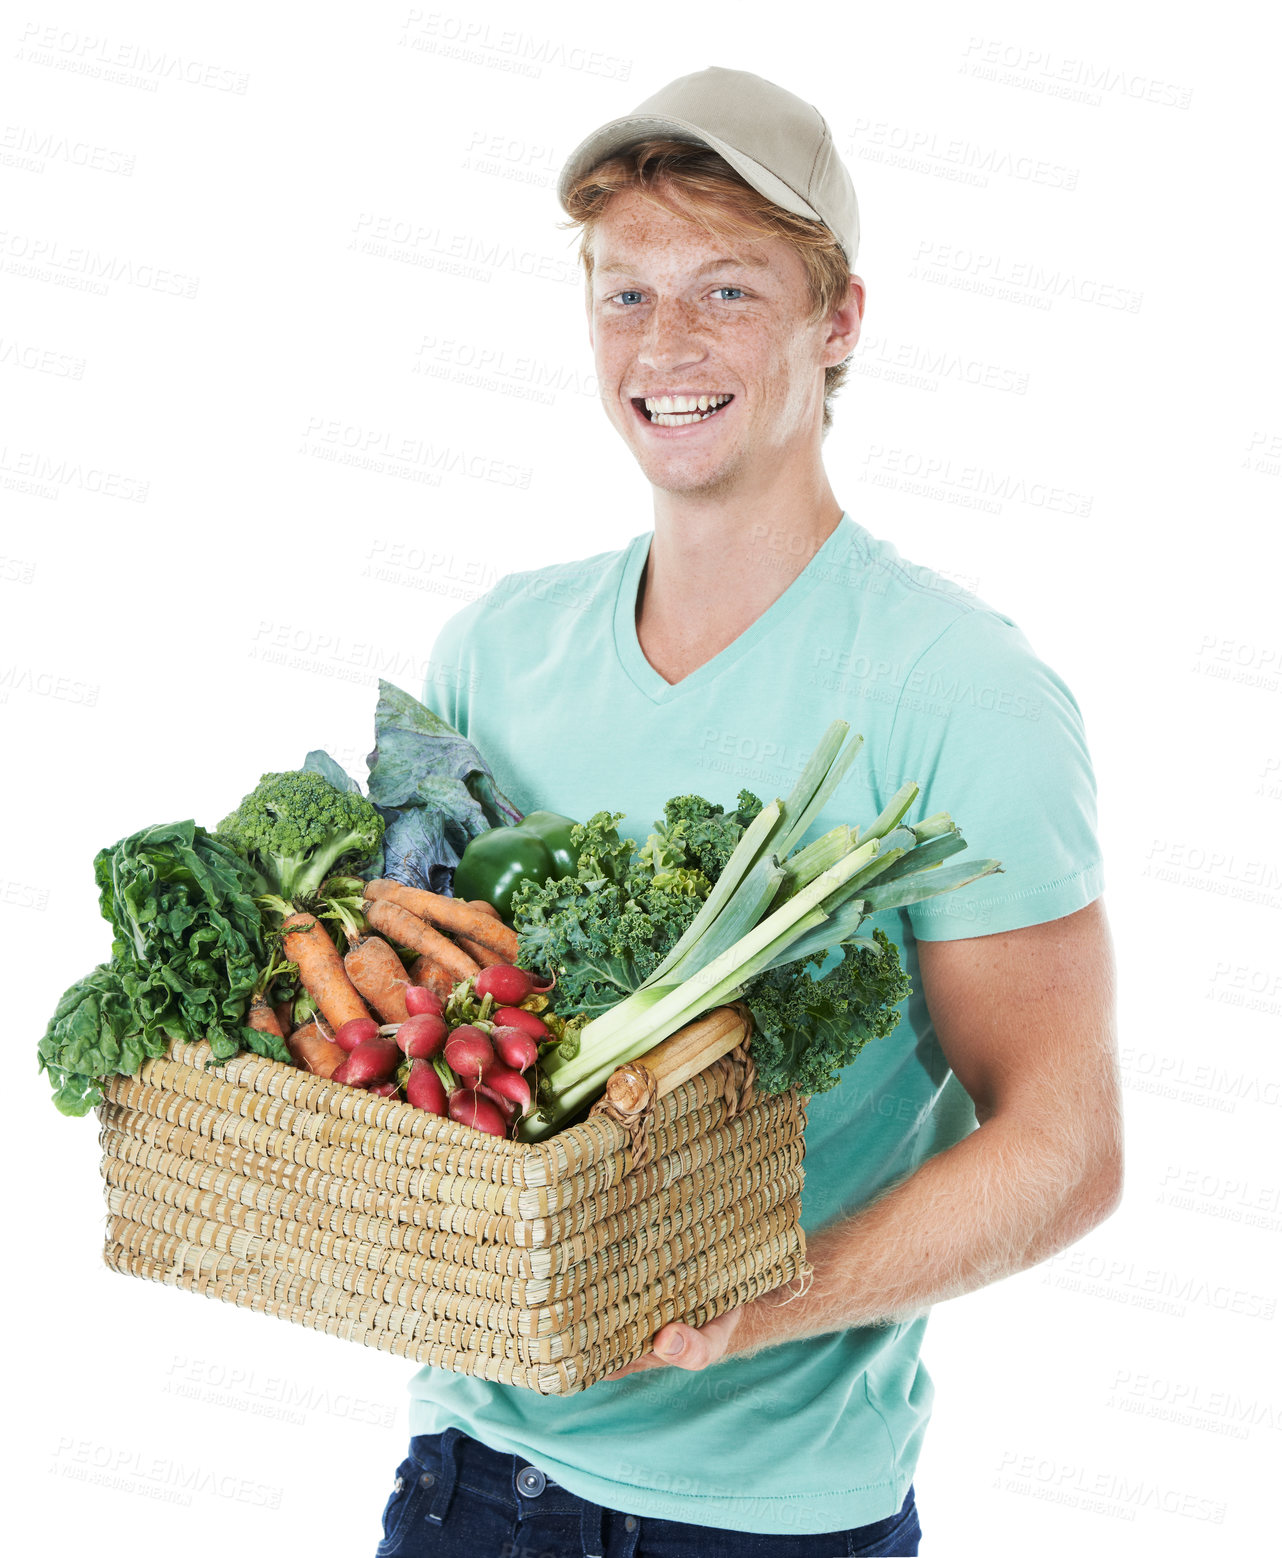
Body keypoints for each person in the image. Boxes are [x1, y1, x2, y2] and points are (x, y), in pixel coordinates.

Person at [374, 65, 1122, 1558]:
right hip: (466, 1482)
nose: (665, 346)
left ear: (836, 321)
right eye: (624, 294)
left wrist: (768, 1297)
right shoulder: (491, 652)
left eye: (725, 291)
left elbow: (1064, 1141)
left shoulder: (953, 687)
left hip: (768, 1525)